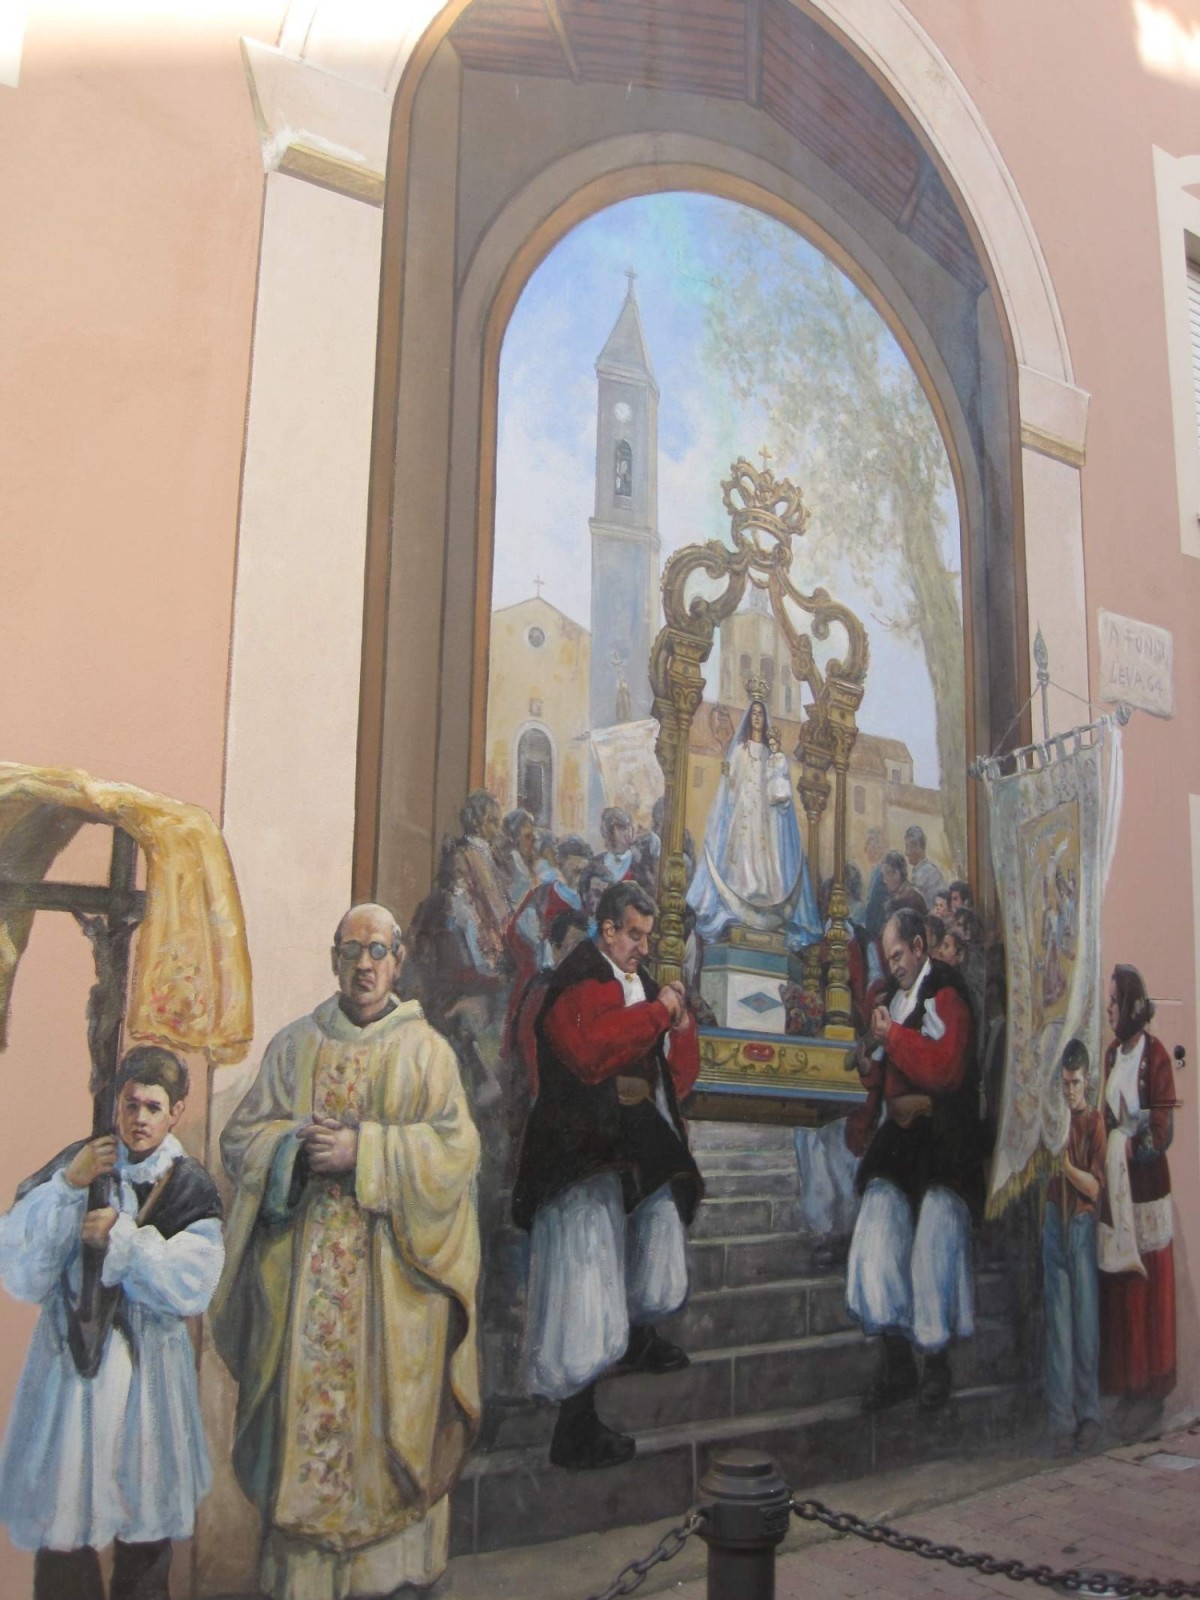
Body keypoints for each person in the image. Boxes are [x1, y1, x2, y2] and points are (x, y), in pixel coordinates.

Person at [213, 904, 481, 1600]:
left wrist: (367, 1151)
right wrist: (292, 1149)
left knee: (388, 1444)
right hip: (302, 1279)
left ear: (398, 962)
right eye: (351, 951)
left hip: (394, 1288)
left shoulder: (426, 1052)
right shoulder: (294, 1046)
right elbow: (241, 1139)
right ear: (334, 959)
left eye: (378, 951)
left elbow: (457, 1153)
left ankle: (390, 1575)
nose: (364, 965)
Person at [0, 1046, 224, 1600]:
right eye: (131, 1104)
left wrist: (122, 1238)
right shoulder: (81, 1163)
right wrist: (68, 1188)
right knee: (65, 1522)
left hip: (148, 1383)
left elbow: (193, 1284)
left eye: (153, 1107)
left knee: (142, 1525)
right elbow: (22, 1272)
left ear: (176, 1111)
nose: (140, 1118)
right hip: (73, 1378)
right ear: (116, 1105)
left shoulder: (188, 1186)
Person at [512, 881, 703, 1470]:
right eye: (634, 935)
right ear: (608, 930)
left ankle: (642, 1335)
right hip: (579, 1147)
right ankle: (575, 1424)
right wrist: (658, 1014)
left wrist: (680, 1026)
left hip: (633, 1138)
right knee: (585, 1267)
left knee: (660, 1216)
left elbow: (676, 1073)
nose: (643, 947)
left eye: (648, 936)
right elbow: (591, 1050)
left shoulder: (641, 983)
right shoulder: (577, 978)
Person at [845, 908, 983, 1412]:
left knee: (936, 1237)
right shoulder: (885, 997)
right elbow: (881, 1076)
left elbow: (945, 1069)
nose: (893, 965)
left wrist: (893, 1039)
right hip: (900, 1141)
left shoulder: (946, 993)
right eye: (888, 958)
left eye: (899, 954)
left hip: (943, 1139)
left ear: (920, 947)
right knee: (877, 1229)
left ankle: (936, 1362)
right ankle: (897, 1361)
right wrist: (868, 1063)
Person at [1098, 964, 1176, 1434]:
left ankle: (1153, 1390)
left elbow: (1163, 1130)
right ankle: (1128, 1386)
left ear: (1130, 1006)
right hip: (1117, 1191)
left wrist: (1131, 1147)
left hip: (1145, 1192)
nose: (1108, 1009)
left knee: (1150, 1290)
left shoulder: (1156, 1056)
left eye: (1113, 1001)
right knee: (1123, 1289)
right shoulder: (1111, 1055)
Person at [687, 697, 821, 951]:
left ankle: (762, 895)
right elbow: (730, 785)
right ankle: (742, 895)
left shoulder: (772, 754)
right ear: (749, 718)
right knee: (743, 855)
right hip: (744, 813)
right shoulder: (740, 750)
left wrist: (776, 758)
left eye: (761, 714)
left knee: (765, 859)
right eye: (754, 713)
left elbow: (779, 790)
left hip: (765, 817)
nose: (757, 717)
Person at [1043, 1039, 1106, 1455]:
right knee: (1058, 1325)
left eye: (1075, 1083)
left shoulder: (1093, 1123)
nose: (1069, 1091)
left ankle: (1088, 1416)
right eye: (1065, 1083)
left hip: (1081, 1224)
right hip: (1054, 1221)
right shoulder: (1054, 1122)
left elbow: (1095, 1187)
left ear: (1087, 1081)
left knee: (1084, 1324)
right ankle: (1061, 1420)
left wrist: (1064, 1165)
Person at [904, 825, 947, 910]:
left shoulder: (931, 873)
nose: (906, 852)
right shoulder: (918, 872)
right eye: (907, 847)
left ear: (919, 848)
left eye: (910, 847)